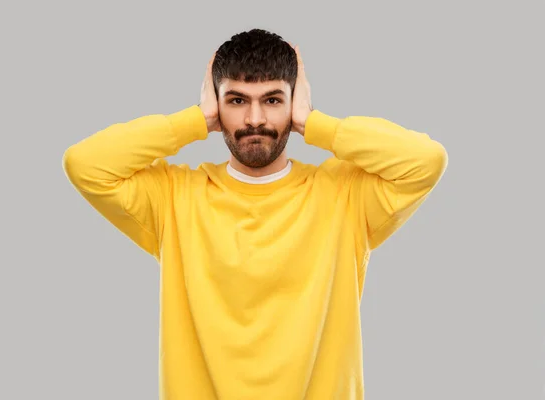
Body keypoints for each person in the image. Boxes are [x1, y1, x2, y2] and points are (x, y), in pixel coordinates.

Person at [62, 28, 448, 400]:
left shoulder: (343, 195)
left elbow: (425, 162)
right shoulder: (174, 196)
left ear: (294, 102)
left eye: (273, 100)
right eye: (236, 100)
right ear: (216, 105)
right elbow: (86, 165)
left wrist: (312, 123)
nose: (255, 120)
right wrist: (195, 120)